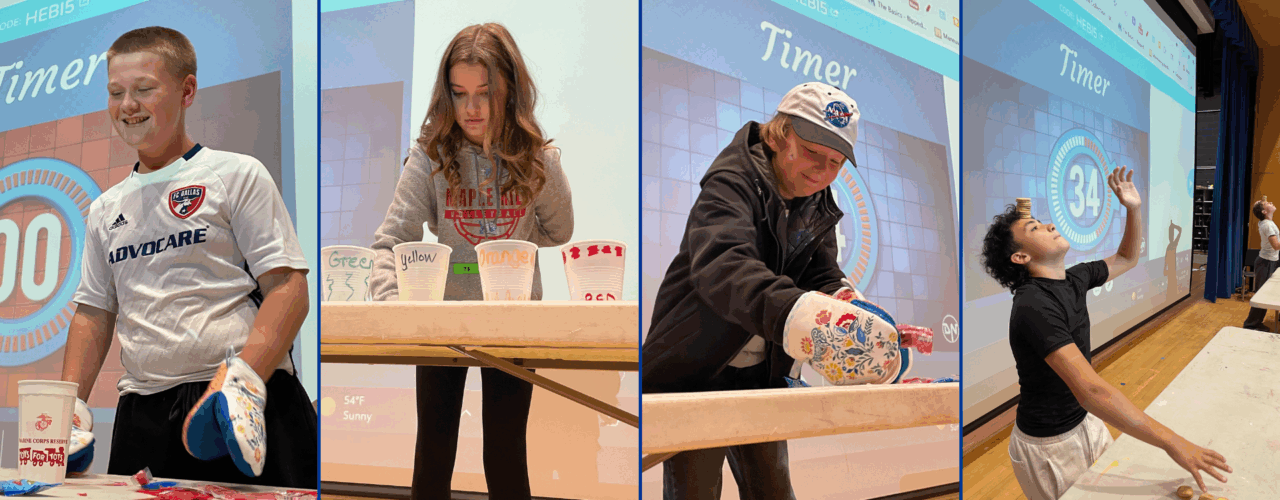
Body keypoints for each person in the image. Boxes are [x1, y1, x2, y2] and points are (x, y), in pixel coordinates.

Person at [61, 26, 316, 488]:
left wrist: (244, 379)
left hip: (245, 401)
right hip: (143, 413)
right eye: (116, 93)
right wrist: (69, 408)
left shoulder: (236, 174)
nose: (127, 105)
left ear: (187, 91)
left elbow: (289, 288)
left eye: (144, 89)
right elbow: (93, 313)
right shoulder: (103, 208)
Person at [642, 82, 912, 500]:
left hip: (762, 374)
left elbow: (823, 274)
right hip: (696, 368)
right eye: (812, 152)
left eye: (836, 162)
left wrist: (857, 315)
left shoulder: (818, 199)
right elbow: (724, 267)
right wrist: (807, 318)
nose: (822, 171)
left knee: (774, 491)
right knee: (695, 491)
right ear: (778, 135)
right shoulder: (730, 181)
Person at [367, 23, 573, 500]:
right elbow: (390, 241)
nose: (472, 109)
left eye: (485, 93)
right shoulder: (430, 156)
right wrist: (396, 309)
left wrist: (542, 163)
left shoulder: (535, 158)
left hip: (514, 322)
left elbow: (559, 231)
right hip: (441, 323)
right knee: (434, 452)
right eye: (459, 94)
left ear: (510, 92)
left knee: (505, 454)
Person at [979, 168, 1231, 499]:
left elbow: (1127, 257)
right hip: (1050, 445)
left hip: (1085, 421)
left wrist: (1133, 209)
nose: (1049, 225)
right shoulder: (1033, 305)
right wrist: (1173, 441)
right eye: (1034, 228)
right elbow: (1092, 390)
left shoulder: (1074, 279)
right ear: (1021, 256)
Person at [1242, 198, 1279, 331]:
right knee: (1262, 295)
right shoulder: (1267, 225)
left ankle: (1256, 322)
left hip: (1270, 261)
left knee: (1270, 293)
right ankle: (1251, 324)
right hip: (1266, 262)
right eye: (1267, 204)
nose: (1271, 203)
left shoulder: (1267, 222)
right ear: (1264, 211)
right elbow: (1276, 246)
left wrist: (1262, 204)